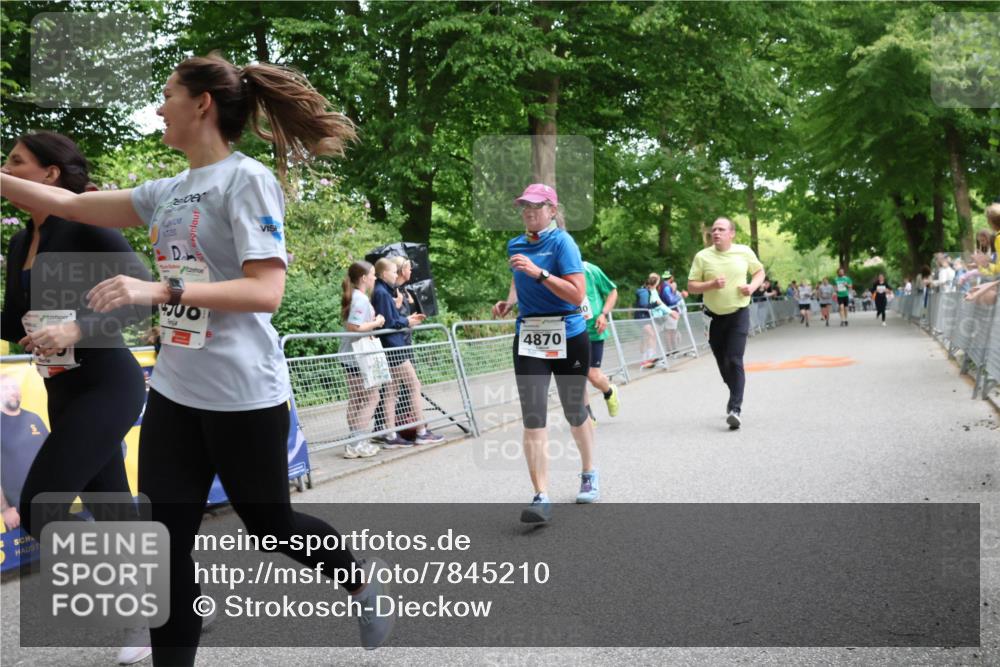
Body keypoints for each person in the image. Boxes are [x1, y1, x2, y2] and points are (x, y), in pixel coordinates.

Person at [0, 54, 394, 663]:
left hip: (243, 392)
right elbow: (72, 204)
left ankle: (360, 583)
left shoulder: (246, 179)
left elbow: (266, 292)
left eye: (166, 95)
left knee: (270, 527)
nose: (159, 108)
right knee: (165, 549)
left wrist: (159, 290)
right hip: (176, 395)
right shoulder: (168, 191)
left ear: (201, 103)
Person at [0, 131, 153, 665]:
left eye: (15, 161)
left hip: (108, 382)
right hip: (60, 388)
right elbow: (10, 318)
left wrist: (74, 328)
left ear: (50, 175)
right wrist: (33, 330)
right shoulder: (22, 242)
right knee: (112, 509)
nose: (5, 168)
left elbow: (141, 299)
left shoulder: (89, 223)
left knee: (41, 509)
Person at [492, 183, 598, 522]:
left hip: (568, 332)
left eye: (537, 206)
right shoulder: (516, 244)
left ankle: (589, 471)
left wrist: (540, 273)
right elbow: (517, 276)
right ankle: (541, 496)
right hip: (530, 335)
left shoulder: (563, 242)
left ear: (552, 210)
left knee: (573, 410)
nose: (529, 211)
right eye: (525, 206)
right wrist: (509, 302)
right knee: (533, 414)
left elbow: (576, 293)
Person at [686, 217, 764, 430]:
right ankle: (733, 393)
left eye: (721, 230)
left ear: (732, 233)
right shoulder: (702, 257)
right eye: (714, 230)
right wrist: (711, 284)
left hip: (738, 313)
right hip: (713, 318)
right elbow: (691, 286)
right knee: (723, 365)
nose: (716, 233)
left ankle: (735, 409)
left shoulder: (744, 252)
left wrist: (752, 286)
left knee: (734, 359)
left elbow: (759, 271)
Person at [370, 257, 441, 447]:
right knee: (414, 386)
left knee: (392, 391)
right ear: (385, 274)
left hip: (392, 346)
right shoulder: (382, 292)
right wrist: (408, 321)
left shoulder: (384, 291)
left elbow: (389, 317)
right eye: (394, 272)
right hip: (394, 346)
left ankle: (391, 435)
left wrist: (403, 314)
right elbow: (390, 323)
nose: (396, 275)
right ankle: (421, 432)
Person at [341, 260, 385, 459]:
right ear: (364, 278)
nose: (375, 278)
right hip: (358, 356)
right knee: (371, 397)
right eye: (373, 274)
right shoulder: (360, 299)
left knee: (357, 399)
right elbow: (354, 327)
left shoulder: (357, 297)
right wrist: (376, 322)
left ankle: (355, 441)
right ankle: (356, 442)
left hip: (351, 356)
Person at [0, 373, 49, 531]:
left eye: (15, 387)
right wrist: (5, 509)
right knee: (30, 556)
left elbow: (52, 457)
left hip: (48, 505)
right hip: (17, 513)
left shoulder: (33, 419)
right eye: (6, 388)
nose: (12, 391)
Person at [581, 260, 620, 425]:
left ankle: (609, 391)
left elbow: (612, 291)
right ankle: (588, 416)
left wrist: (603, 314)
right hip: (569, 332)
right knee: (576, 376)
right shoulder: (553, 271)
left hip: (593, 330)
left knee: (593, 375)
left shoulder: (590, 269)